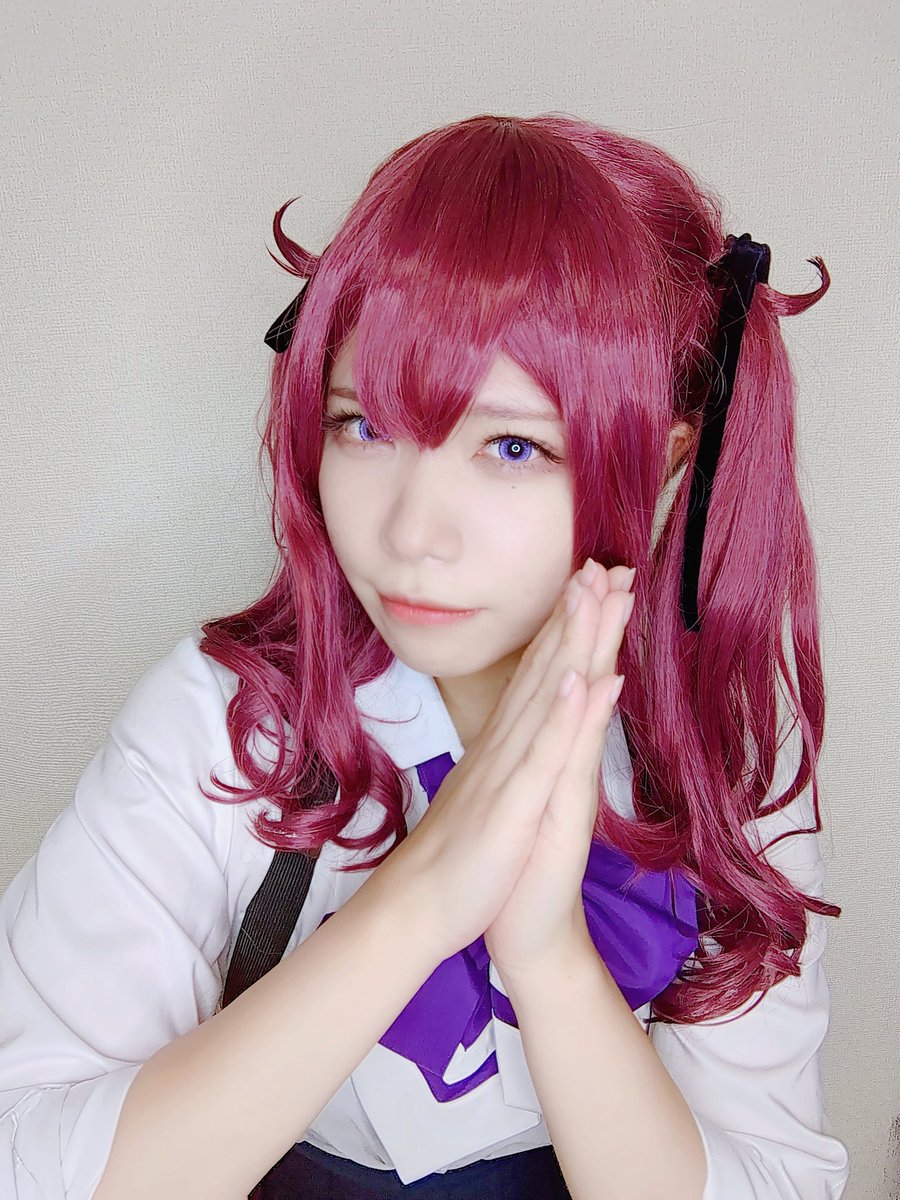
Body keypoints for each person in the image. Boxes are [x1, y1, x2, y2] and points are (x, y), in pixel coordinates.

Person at [0, 113, 851, 1199]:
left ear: (669, 457)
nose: (410, 531)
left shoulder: (727, 760)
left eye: (512, 446)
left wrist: (549, 958)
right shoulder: (223, 724)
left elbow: (776, 1180)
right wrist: (423, 897)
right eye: (362, 425)